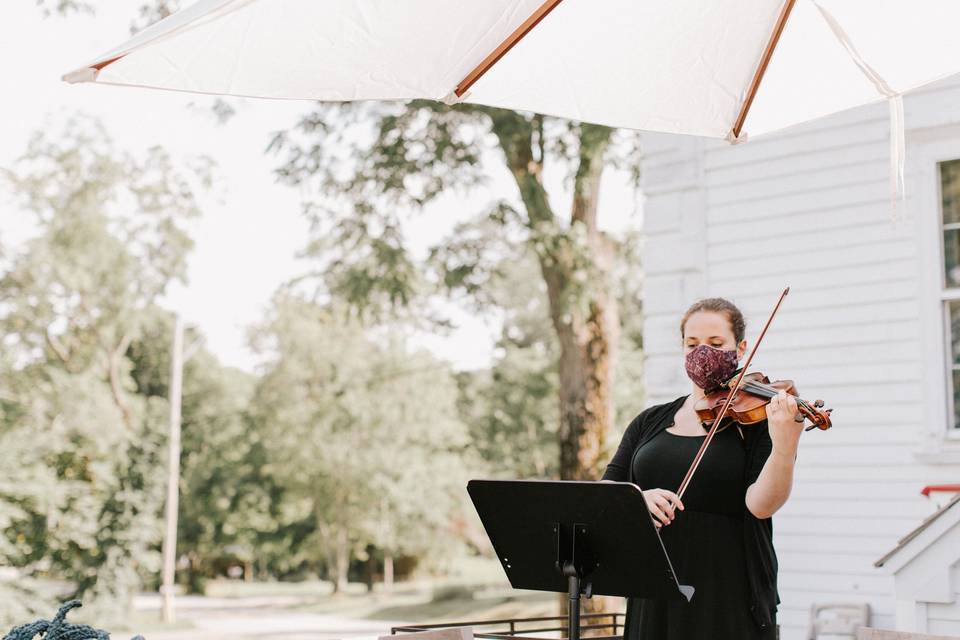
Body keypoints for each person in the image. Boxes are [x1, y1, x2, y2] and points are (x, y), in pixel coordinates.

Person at [602, 297, 804, 640]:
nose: (702, 354)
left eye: (715, 344)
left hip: (728, 592)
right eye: (692, 344)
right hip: (654, 590)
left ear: (740, 348)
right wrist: (636, 498)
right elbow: (607, 493)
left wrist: (785, 445)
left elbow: (761, 505)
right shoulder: (650, 421)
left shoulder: (757, 420)